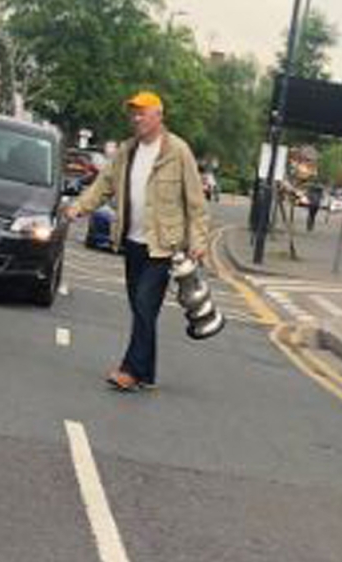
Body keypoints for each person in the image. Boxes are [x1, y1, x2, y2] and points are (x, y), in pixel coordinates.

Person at [65, 91, 208, 392]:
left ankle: (130, 370)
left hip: (163, 245)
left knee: (144, 304)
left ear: (158, 115)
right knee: (141, 308)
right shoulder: (127, 151)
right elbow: (103, 185)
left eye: (142, 112)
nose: (136, 118)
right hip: (131, 241)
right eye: (133, 113)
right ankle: (147, 373)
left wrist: (199, 240)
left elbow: (196, 203)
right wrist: (79, 207)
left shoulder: (178, 151)